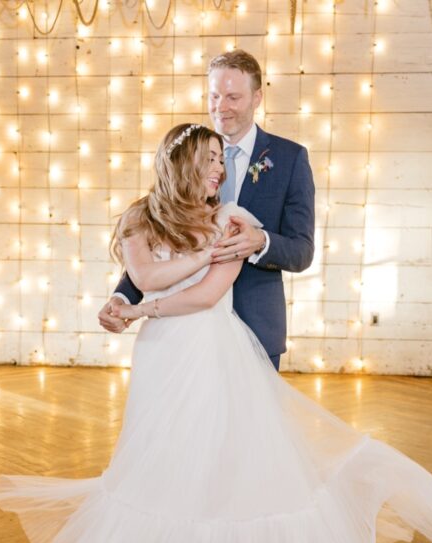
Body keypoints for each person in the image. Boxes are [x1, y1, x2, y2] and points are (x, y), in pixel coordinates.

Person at [0, 122, 432, 543]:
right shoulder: (139, 216)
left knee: (220, 466)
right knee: (162, 464)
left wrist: (145, 308)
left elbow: (206, 295)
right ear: (179, 166)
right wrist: (130, 302)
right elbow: (146, 275)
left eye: (222, 161)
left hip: (213, 349)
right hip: (161, 357)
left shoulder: (231, 220)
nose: (219, 170)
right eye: (208, 161)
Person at [98, 49, 315, 370]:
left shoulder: (289, 158)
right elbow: (158, 233)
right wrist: (123, 297)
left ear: (257, 98)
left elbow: (302, 251)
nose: (220, 107)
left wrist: (262, 242)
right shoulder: (187, 152)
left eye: (232, 97)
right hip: (182, 331)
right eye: (214, 96)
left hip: (257, 325)